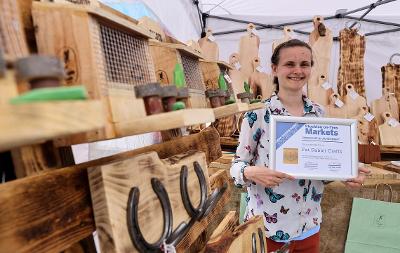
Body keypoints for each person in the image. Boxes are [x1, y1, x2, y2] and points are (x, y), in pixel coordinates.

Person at [230, 39, 369, 253]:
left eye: (304, 64)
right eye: (290, 64)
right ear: (275, 69)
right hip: (267, 228)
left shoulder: (319, 113)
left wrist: (346, 169)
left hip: (309, 227)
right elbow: (236, 167)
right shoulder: (257, 113)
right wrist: (250, 171)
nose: (298, 70)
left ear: (311, 69)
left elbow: (317, 169)